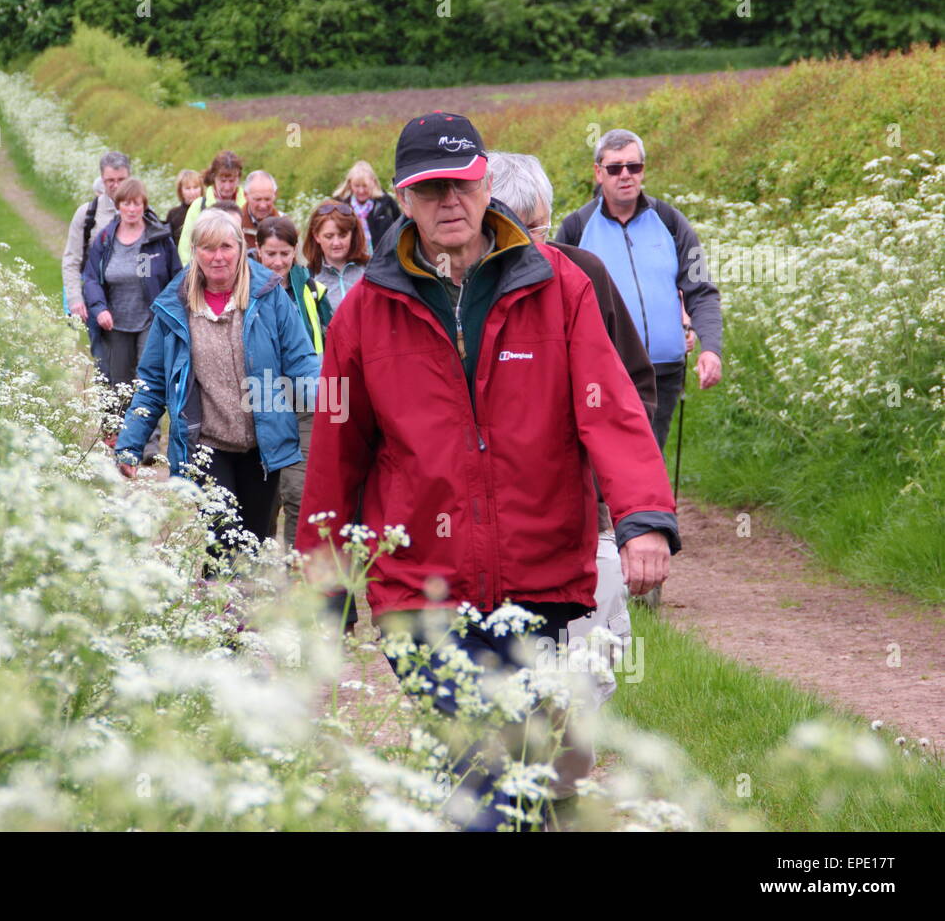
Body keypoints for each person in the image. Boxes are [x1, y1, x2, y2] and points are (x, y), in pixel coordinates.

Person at [294, 112, 679, 832]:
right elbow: (335, 455)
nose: (449, 202)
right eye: (429, 188)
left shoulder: (559, 287)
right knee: (482, 768)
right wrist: (327, 586)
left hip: (539, 577)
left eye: (461, 184)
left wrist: (643, 519)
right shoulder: (365, 315)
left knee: (520, 772)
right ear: (402, 200)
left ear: (484, 181)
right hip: (419, 585)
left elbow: (611, 410)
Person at [487, 149, 658, 803]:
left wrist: (618, 486)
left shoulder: (582, 274)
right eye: (514, 227)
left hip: (589, 521)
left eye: (538, 226)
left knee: (588, 673)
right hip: (499, 531)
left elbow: (632, 390)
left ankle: (564, 794)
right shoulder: (460, 290)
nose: (530, 244)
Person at [114, 209, 322, 571]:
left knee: (254, 540)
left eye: (226, 246)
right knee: (223, 536)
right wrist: (131, 444)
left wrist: (338, 412)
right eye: (207, 248)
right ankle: (221, 619)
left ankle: (244, 620)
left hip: (263, 442)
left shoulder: (269, 295)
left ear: (242, 248)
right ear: (194, 252)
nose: (218, 256)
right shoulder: (174, 305)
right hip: (207, 444)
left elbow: (302, 361)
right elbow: (152, 381)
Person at [555, 128, 723, 451]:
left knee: (649, 457)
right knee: (608, 462)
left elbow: (700, 289)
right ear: (598, 173)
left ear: (643, 170)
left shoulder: (671, 221)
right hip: (605, 375)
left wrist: (711, 348)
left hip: (664, 373)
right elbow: (558, 306)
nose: (626, 175)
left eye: (634, 167)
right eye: (615, 168)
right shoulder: (576, 228)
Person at [82, 178, 182, 460]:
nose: (132, 208)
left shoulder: (158, 239)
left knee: (147, 381)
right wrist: (99, 307)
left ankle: (149, 445)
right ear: (119, 206)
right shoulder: (105, 238)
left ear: (144, 205)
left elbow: (177, 277)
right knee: (118, 383)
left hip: (150, 320)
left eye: (137, 203)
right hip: (114, 322)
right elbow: (90, 277)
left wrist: (167, 311)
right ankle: (120, 439)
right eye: (126, 203)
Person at [254, 215, 332, 548]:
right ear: (258, 251)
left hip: (306, 402)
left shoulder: (313, 291)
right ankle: (255, 577)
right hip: (260, 398)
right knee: (263, 496)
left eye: (284, 253)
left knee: (299, 492)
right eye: (270, 254)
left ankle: (296, 576)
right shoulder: (246, 290)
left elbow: (333, 343)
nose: (278, 261)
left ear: (295, 251)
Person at [62, 151, 132, 372]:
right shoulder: (87, 215)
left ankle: (130, 406)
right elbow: (71, 259)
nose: (116, 186)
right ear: (102, 180)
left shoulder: (142, 213)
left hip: (133, 304)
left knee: (135, 367)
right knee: (104, 363)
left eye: (121, 180)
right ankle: (108, 406)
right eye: (110, 180)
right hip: (96, 298)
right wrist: (75, 299)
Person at [176, 151, 247, 265]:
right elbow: (185, 249)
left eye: (232, 181)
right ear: (214, 177)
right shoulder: (198, 206)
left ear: (238, 178)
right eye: (223, 181)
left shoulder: (248, 205)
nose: (227, 187)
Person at [302, 200, 369, 314]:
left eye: (343, 236)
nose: (336, 243)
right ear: (316, 236)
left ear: (352, 234)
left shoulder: (370, 270)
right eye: (329, 236)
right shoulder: (308, 278)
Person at [334, 159, 401, 254]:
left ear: (373, 183)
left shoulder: (387, 203)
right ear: (350, 184)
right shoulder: (340, 206)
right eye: (357, 186)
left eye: (365, 186)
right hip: (351, 259)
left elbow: (399, 227)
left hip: (382, 260)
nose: (361, 191)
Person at [240, 170, 282, 252]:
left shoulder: (285, 225)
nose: (263, 205)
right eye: (257, 199)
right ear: (245, 195)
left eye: (267, 199)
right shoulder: (235, 225)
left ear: (275, 195)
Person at [166, 169, 203, 247]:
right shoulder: (173, 214)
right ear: (180, 191)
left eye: (195, 187)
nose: (192, 192)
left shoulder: (209, 211)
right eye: (188, 188)